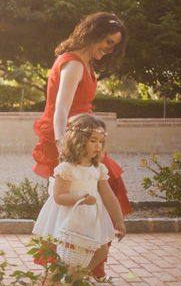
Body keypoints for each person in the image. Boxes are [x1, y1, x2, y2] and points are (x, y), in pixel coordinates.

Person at [32, 11, 131, 281]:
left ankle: (88, 268)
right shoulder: (73, 63)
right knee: (76, 202)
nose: (109, 49)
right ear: (93, 34)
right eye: (107, 42)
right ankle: (75, 269)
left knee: (102, 193)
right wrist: (64, 145)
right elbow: (61, 108)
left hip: (86, 137)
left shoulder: (85, 63)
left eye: (114, 45)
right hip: (71, 141)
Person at [33, 114, 126, 272]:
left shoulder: (98, 169)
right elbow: (59, 196)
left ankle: (78, 275)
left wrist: (119, 220)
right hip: (69, 216)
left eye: (101, 141)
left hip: (90, 217)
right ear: (79, 141)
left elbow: (109, 196)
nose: (98, 146)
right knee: (65, 250)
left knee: (102, 250)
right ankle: (66, 278)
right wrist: (80, 199)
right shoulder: (67, 168)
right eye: (93, 141)